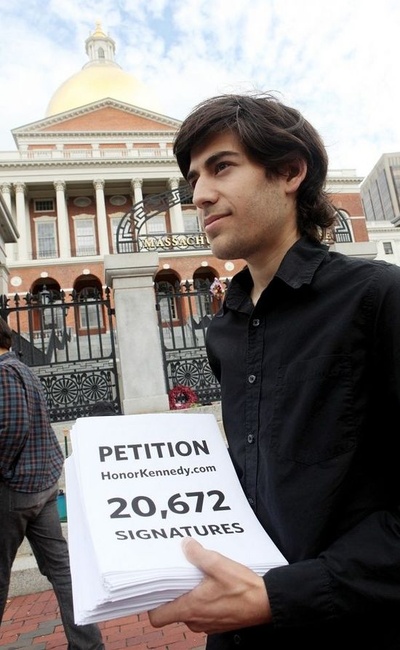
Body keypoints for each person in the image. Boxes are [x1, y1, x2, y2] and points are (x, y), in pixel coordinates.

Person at [148, 92, 400, 648]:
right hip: (238, 631)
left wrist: (280, 596)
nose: (199, 195)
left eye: (221, 167)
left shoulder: (378, 297)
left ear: (289, 172)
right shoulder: (225, 328)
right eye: (194, 178)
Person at [0, 317, 105, 649]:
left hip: (15, 490)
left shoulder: (4, 373)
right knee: (62, 570)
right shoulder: (22, 369)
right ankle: (88, 644)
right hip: (41, 485)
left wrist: (3, 470)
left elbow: (12, 429)